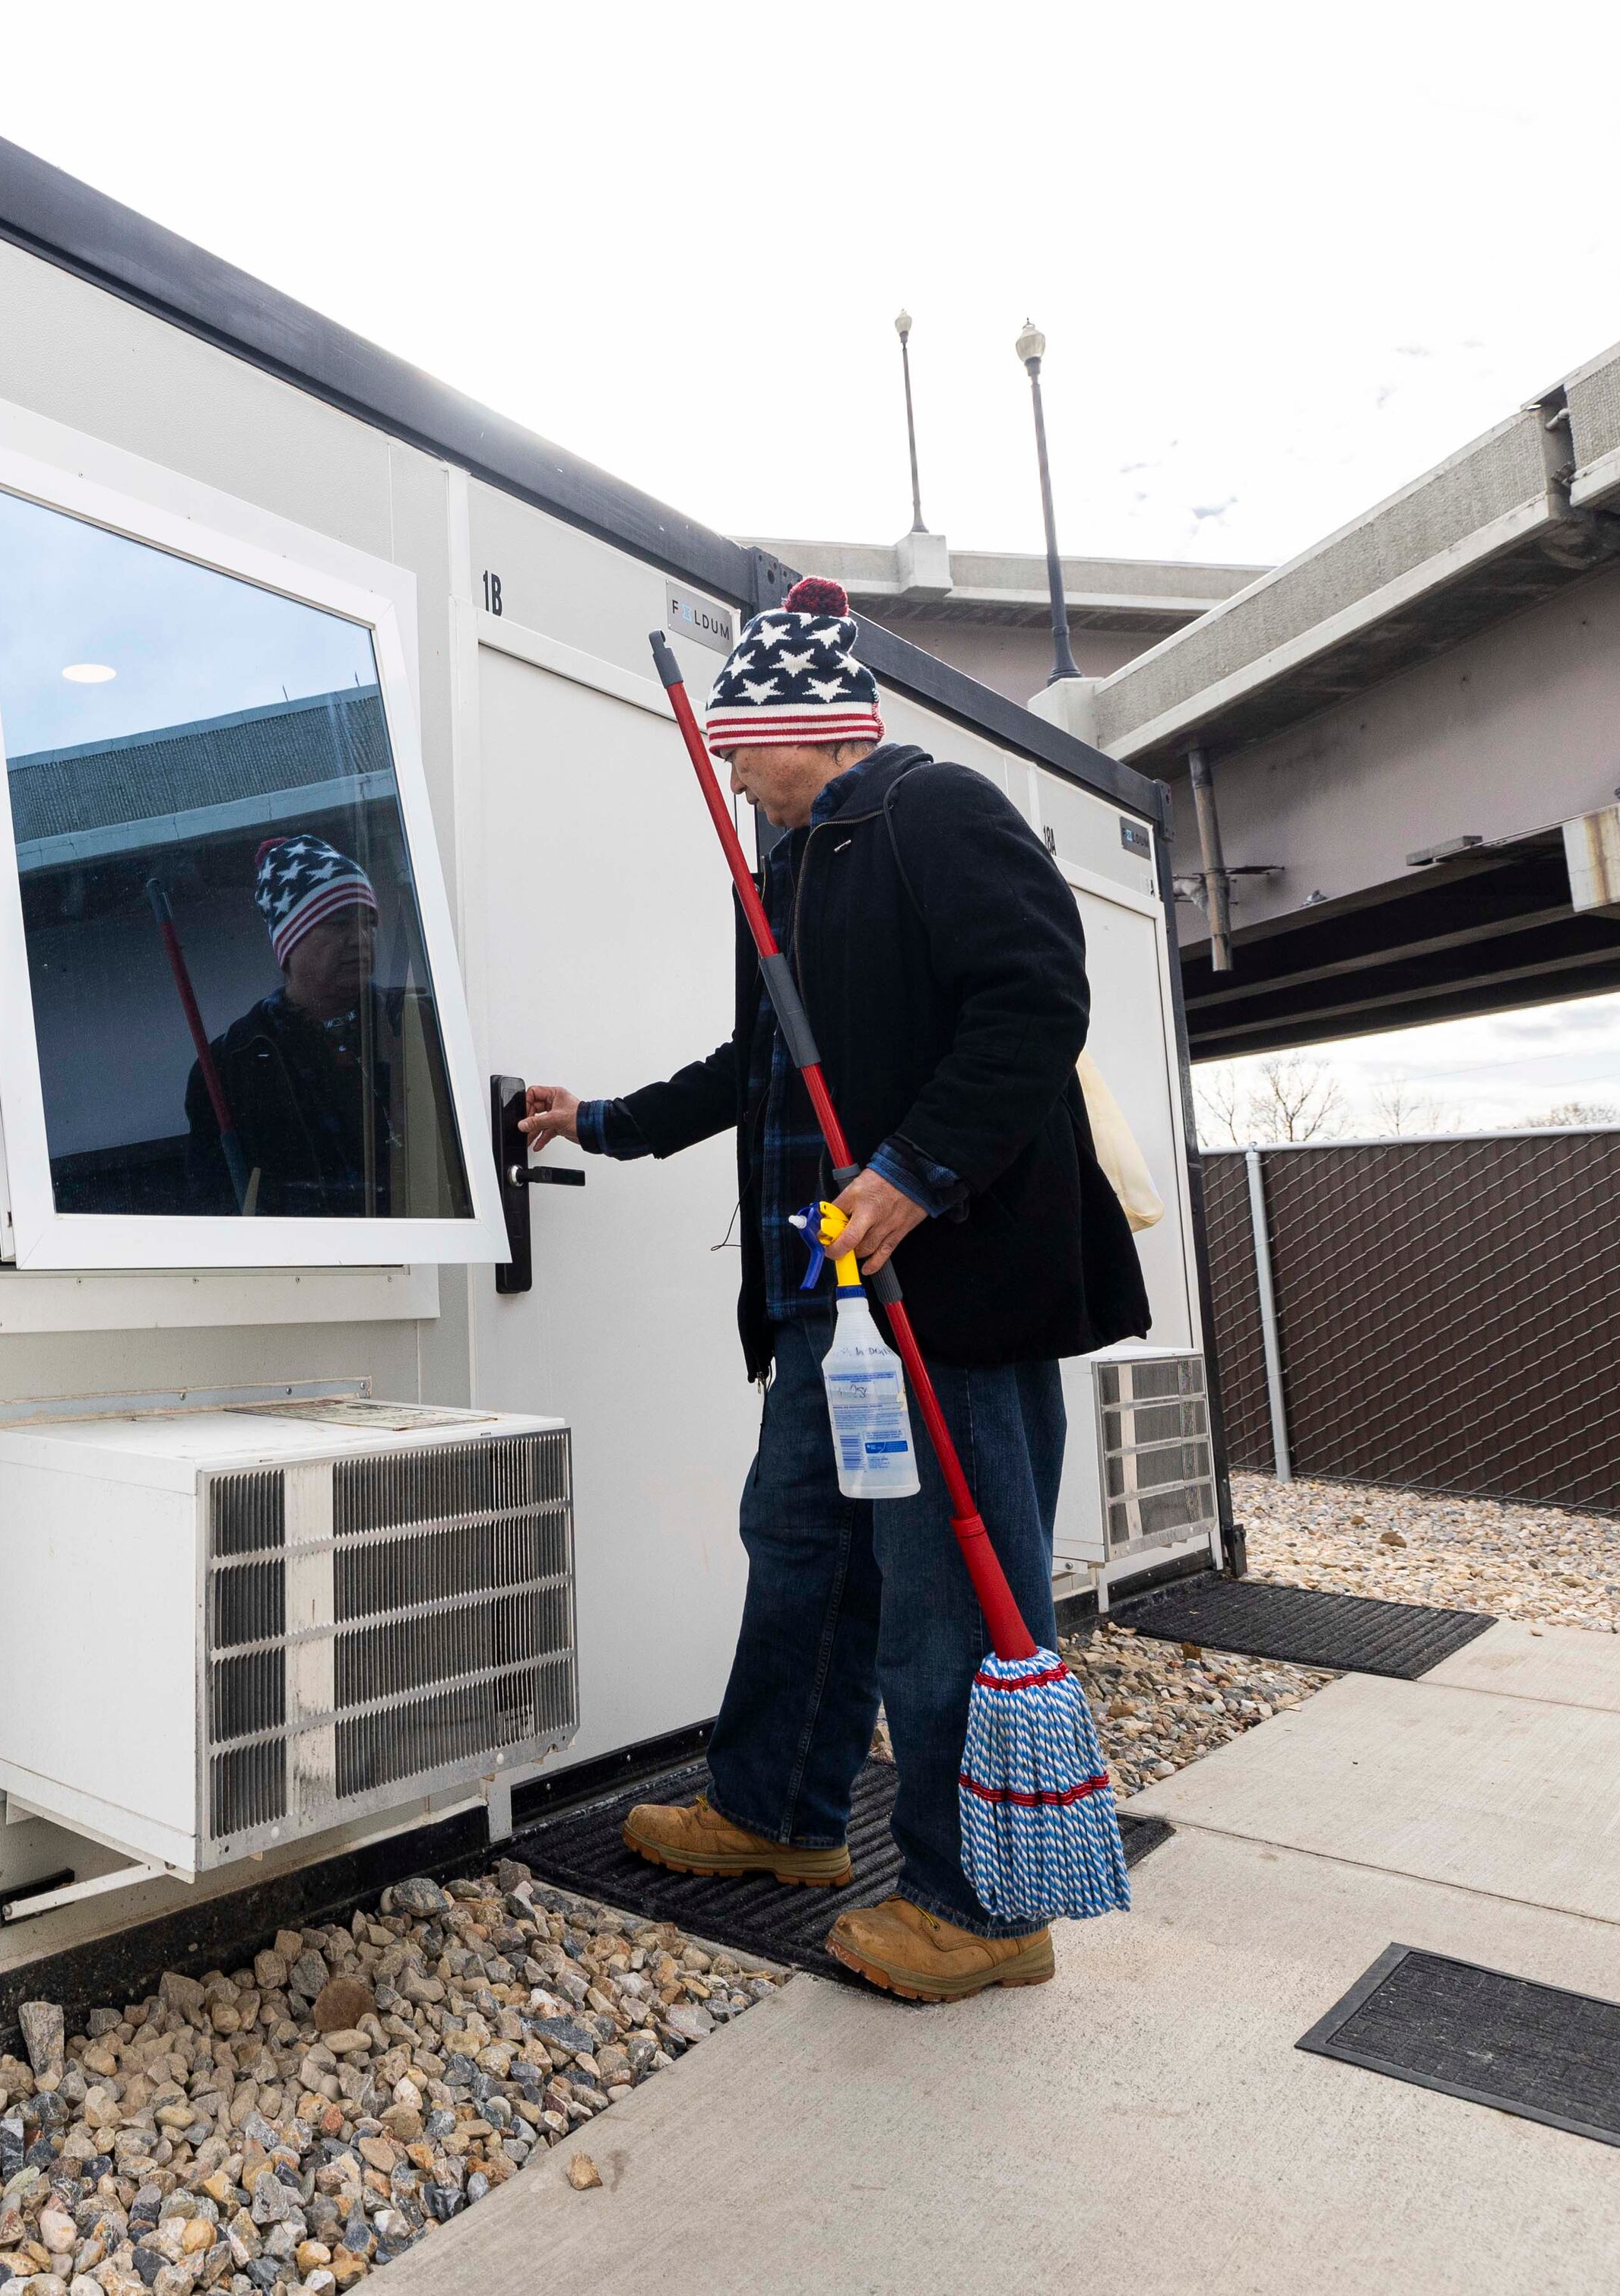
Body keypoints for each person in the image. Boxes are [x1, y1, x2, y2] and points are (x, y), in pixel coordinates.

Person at [519, 577, 1148, 2003]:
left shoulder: (938, 813)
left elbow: (1039, 997)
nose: (731, 766)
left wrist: (919, 1171)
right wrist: (595, 1120)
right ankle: (778, 1812)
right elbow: (753, 1076)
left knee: (942, 1592)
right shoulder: (791, 873)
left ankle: (982, 1905)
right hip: (826, 1294)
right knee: (799, 1542)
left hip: (949, 1297)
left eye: (747, 741)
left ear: (815, 727)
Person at [179, 833, 455, 1219]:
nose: (360, 939)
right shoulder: (229, 1064)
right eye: (337, 923)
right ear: (288, 942)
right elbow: (212, 1207)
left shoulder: (419, 1020)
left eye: (368, 922)